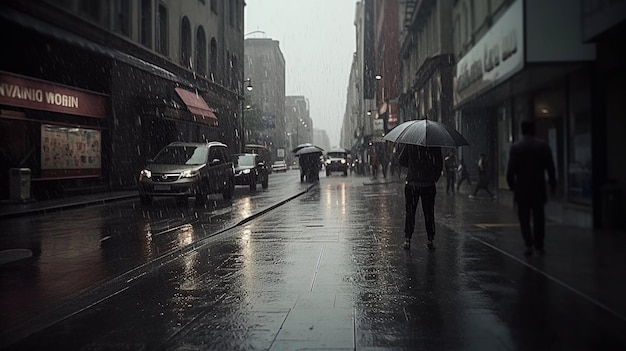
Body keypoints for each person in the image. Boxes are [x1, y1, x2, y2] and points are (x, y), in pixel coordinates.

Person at [506, 120, 556, 256]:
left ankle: (528, 243)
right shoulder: (542, 146)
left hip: (522, 188)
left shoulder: (516, 147)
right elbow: (550, 168)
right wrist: (553, 185)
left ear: (522, 131)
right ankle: (539, 244)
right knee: (539, 216)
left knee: (524, 218)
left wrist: (512, 186)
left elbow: (510, 171)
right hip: (538, 187)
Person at [398, 144, 443, 250]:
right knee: (429, 212)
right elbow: (439, 163)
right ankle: (430, 239)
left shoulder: (411, 143)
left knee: (410, 212)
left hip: (413, 183)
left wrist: (413, 164)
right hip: (428, 184)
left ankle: (408, 239)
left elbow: (401, 160)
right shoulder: (434, 144)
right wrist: (434, 177)